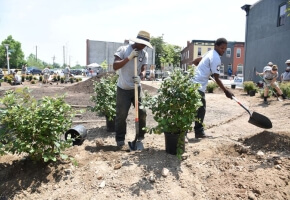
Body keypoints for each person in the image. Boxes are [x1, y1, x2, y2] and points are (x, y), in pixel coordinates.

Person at [113, 30, 153, 148]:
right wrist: (129, 58)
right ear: (137, 42)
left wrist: (141, 76)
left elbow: (144, 70)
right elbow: (115, 66)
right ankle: (120, 139)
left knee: (142, 112)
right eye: (142, 44)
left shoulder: (144, 54)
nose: (144, 46)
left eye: (146, 45)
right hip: (123, 89)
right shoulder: (123, 50)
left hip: (136, 88)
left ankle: (140, 136)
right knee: (121, 115)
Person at [191, 38, 234, 139]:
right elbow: (217, 78)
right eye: (222, 48)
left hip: (193, 82)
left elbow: (195, 61)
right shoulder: (216, 58)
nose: (223, 50)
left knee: (192, 107)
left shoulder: (210, 53)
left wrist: (201, 68)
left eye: (225, 49)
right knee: (201, 109)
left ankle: (187, 132)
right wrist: (226, 91)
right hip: (198, 85)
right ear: (216, 46)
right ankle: (199, 132)